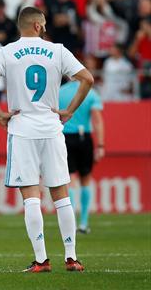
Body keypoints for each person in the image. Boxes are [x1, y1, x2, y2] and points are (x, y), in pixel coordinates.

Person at [0, 7, 93, 272]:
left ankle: (41, 260)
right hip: (52, 129)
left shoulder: (5, 52)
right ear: (39, 26)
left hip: (21, 130)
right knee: (61, 195)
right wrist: (70, 111)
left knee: (31, 196)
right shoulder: (59, 50)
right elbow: (86, 79)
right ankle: (71, 257)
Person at [59, 79, 105, 234]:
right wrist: (100, 145)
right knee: (86, 179)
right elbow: (97, 119)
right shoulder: (90, 92)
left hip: (64, 136)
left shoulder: (60, 91)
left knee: (70, 180)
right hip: (84, 137)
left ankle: (71, 223)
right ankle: (84, 222)